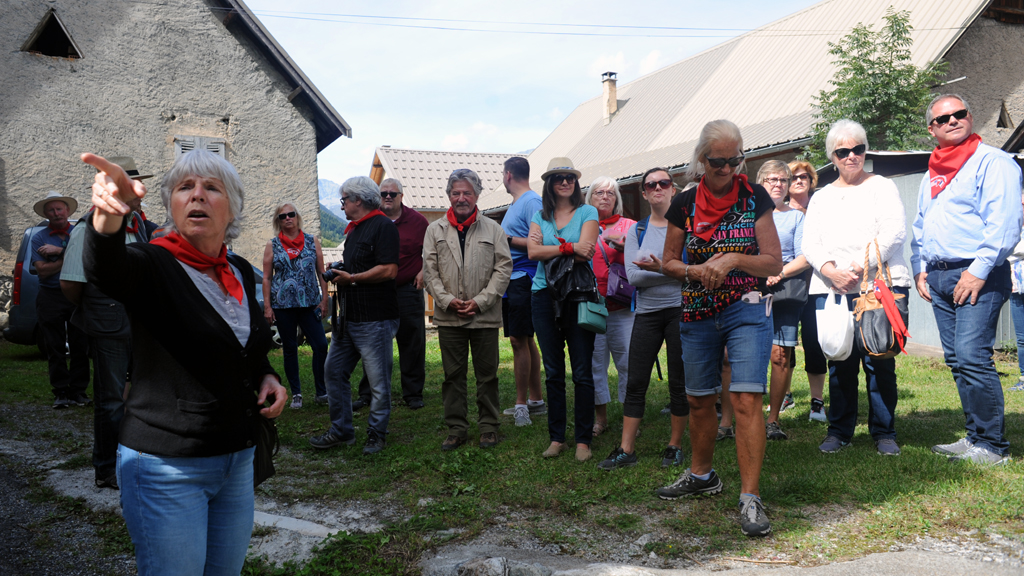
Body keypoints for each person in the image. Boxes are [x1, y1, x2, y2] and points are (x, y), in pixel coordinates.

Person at [81, 150, 287, 576]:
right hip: (165, 466)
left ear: (232, 206)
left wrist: (267, 375)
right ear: (171, 205)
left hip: (237, 459)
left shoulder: (239, 270)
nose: (197, 195)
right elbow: (107, 268)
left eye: (212, 188)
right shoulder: (152, 264)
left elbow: (248, 348)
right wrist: (107, 216)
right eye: (184, 188)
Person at [658, 119, 781, 538]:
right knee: (697, 400)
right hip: (697, 309)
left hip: (745, 307)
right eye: (718, 162)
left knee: (745, 399)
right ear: (701, 160)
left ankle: (750, 497)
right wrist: (694, 269)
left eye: (735, 160)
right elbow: (669, 261)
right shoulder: (684, 203)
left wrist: (731, 259)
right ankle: (702, 475)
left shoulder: (755, 197)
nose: (727, 169)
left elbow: (773, 262)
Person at [912, 94, 1023, 465]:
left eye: (959, 114)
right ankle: (976, 435)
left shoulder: (994, 162)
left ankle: (993, 446)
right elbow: (922, 224)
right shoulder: (934, 171)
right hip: (941, 275)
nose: (953, 121)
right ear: (932, 129)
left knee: (974, 357)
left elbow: (1005, 223)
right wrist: (922, 267)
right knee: (958, 359)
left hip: (978, 272)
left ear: (970, 117)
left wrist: (978, 271)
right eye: (943, 119)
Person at [803, 119, 911, 457]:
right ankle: (839, 431)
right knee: (840, 360)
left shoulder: (881, 186)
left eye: (858, 149)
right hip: (834, 289)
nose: (852, 156)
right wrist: (831, 272)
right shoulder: (820, 198)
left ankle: (884, 432)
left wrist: (860, 268)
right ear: (832, 157)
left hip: (876, 285)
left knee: (880, 358)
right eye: (843, 151)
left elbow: (894, 232)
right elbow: (810, 243)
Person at [60, 156, 152, 489]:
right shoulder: (87, 228)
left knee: (139, 395)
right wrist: (102, 308)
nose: (141, 192)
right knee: (111, 399)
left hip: (138, 322)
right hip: (109, 324)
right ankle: (106, 469)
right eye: (134, 186)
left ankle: (133, 460)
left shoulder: (139, 224)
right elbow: (71, 284)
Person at [598, 167, 690, 471]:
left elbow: (690, 276)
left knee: (678, 381)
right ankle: (627, 448)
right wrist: (671, 269)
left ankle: (674, 445)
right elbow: (635, 277)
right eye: (651, 185)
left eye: (663, 183)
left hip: (679, 311)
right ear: (644, 193)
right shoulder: (637, 230)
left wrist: (661, 268)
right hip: (647, 313)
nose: (657, 188)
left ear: (673, 189)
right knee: (636, 380)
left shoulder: (686, 228)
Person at [309, 177, 400, 455]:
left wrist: (353, 278)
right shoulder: (355, 230)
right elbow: (358, 266)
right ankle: (342, 431)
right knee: (333, 372)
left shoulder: (383, 226)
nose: (342, 206)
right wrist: (343, 269)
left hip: (375, 319)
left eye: (344, 200)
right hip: (348, 320)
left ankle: (376, 433)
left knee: (378, 383)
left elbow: (389, 270)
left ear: (358, 200)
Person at [423, 169, 512, 450]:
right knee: (453, 377)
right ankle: (457, 428)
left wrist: (481, 301)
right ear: (449, 195)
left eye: (467, 193)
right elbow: (429, 271)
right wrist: (448, 301)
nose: (461, 198)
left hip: (484, 316)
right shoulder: (433, 230)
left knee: (487, 375)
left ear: (476, 195)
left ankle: (488, 426)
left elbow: (503, 268)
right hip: (449, 318)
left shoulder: (494, 229)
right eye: (456, 193)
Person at [527, 157, 599, 462]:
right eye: (558, 178)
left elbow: (588, 252)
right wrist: (569, 247)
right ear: (549, 183)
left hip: (578, 296)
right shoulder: (538, 214)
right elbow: (532, 252)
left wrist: (552, 249)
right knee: (554, 371)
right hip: (543, 296)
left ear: (576, 182)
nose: (565, 182)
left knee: (582, 371)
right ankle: (557, 438)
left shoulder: (588, 211)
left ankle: (583, 440)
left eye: (569, 177)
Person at [354, 178, 428, 411]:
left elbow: (434, 251)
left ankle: (413, 393)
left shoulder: (418, 222)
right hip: (375, 291)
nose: (387, 196)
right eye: (383, 193)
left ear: (401, 197)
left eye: (392, 194)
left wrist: (424, 270)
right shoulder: (369, 220)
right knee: (372, 343)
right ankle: (367, 393)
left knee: (412, 342)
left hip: (407, 290)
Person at [758, 160, 810, 441]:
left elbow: (804, 256)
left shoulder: (797, 217)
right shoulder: (749, 215)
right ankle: (741, 417)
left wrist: (778, 273)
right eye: (771, 180)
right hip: (753, 291)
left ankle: (773, 419)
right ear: (761, 183)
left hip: (785, 293)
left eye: (782, 180)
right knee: (746, 354)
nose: (778, 184)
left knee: (780, 357)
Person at [262, 202, 330, 410]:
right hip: (283, 305)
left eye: (291, 214)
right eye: (283, 216)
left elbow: (321, 272)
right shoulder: (272, 245)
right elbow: (266, 278)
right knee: (290, 348)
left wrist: (324, 298)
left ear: (298, 217)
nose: (288, 218)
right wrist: (267, 306)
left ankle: (321, 391)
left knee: (320, 345)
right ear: (278, 221)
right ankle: (296, 394)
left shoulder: (312, 241)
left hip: (309, 303)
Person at [586, 176, 636, 436]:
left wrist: (628, 247)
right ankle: (600, 419)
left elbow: (647, 259)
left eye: (610, 193)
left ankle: (630, 418)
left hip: (623, 308)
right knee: (595, 364)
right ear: (589, 198)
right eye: (598, 192)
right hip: (592, 306)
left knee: (627, 362)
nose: (605, 196)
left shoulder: (631, 226)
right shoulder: (583, 226)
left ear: (617, 199)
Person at [31, 190, 90, 409]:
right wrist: (68, 256)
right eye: (51, 210)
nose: (56, 213)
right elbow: (43, 272)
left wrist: (60, 250)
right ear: (46, 215)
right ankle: (61, 392)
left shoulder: (79, 233)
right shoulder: (38, 237)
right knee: (54, 346)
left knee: (80, 346)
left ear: (67, 211)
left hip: (76, 295)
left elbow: (87, 262)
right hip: (50, 296)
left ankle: (79, 392)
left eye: (59, 209)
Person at [500, 157, 546, 426]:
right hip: (512, 278)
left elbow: (537, 242)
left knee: (519, 339)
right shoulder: (517, 203)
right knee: (525, 339)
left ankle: (521, 405)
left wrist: (503, 238)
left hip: (524, 277)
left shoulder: (531, 202)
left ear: (508, 175)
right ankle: (536, 400)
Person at [787, 160, 828, 423]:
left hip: (816, 285)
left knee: (814, 342)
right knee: (784, 344)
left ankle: (817, 402)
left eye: (804, 176)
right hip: (788, 287)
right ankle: (785, 395)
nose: (799, 180)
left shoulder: (821, 207)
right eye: (793, 177)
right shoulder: (777, 210)